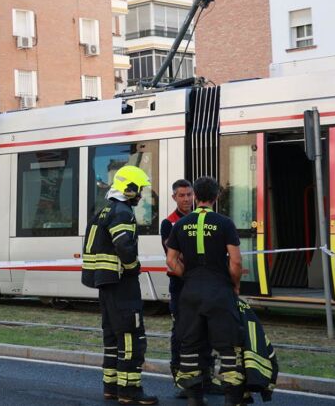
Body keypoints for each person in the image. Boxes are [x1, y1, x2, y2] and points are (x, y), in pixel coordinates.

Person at [82, 165, 157, 405]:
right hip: (122, 282)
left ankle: (111, 387)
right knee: (131, 336)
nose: (141, 195)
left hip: (106, 284)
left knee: (113, 337)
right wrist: (134, 267)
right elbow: (124, 245)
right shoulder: (123, 212)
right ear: (129, 188)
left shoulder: (103, 209)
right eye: (140, 189)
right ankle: (129, 390)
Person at [166, 176, 244, 406]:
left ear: (196, 196)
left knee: (190, 344)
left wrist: (187, 276)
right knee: (228, 345)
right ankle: (232, 397)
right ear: (216, 196)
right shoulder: (225, 223)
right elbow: (236, 261)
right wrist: (235, 284)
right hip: (219, 291)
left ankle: (194, 397)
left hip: (190, 293)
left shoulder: (180, 224)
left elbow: (171, 260)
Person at [161, 179, 210, 395]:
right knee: (181, 331)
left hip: (201, 283)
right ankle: (181, 379)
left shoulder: (202, 219)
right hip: (180, 284)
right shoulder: (168, 223)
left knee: (205, 329)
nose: (187, 199)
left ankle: (205, 378)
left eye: (189, 194)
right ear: (174, 197)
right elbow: (174, 256)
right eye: (181, 195)